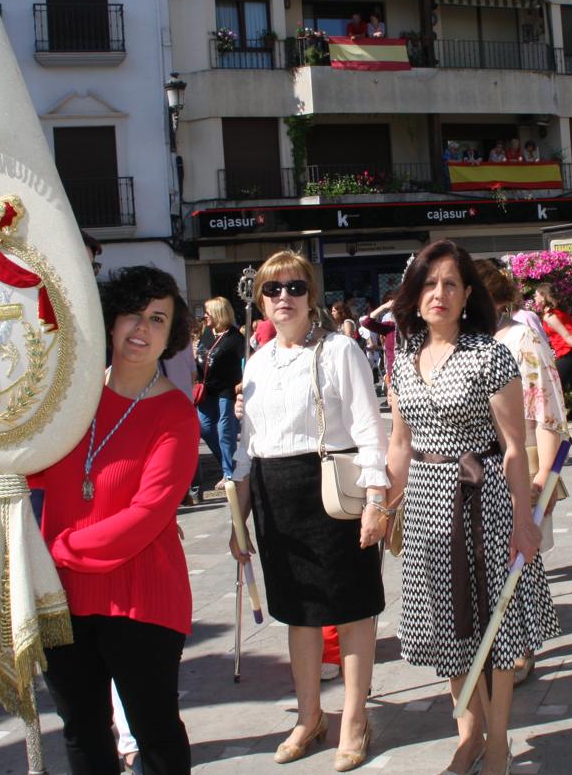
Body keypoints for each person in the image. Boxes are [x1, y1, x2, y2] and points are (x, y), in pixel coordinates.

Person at [387, 240, 556, 775]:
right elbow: (399, 444)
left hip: (484, 504)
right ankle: (468, 733)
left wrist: (524, 522)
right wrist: (382, 506)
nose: (440, 293)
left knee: (495, 625)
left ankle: (499, 740)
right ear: (414, 297)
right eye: (430, 284)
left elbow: (513, 445)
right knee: (445, 625)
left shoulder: (490, 354)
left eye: (451, 284)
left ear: (467, 296)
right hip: (424, 508)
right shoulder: (403, 361)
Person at [29, 266, 199, 775]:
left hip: (141, 598)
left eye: (157, 319)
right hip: (61, 600)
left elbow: (147, 516)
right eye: (132, 314)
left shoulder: (175, 414)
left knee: (156, 734)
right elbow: (28, 472)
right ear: (111, 320)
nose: (141, 330)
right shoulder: (64, 399)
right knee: (82, 732)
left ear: (172, 337)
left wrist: (56, 551)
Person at [230, 250, 388, 771]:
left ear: (311, 296)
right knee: (298, 615)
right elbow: (246, 447)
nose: (284, 299)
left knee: (351, 609)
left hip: (331, 490)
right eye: (273, 290)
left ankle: (353, 720)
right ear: (260, 300)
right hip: (277, 499)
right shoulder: (255, 363)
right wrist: (239, 519)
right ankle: (309, 717)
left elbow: (369, 430)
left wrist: (374, 501)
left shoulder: (340, 350)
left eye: (295, 288)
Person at [476, 259, 568, 686]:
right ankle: (496, 642)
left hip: (522, 455)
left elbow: (546, 407)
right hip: (476, 464)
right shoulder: (462, 339)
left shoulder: (520, 337)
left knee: (519, 557)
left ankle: (522, 647)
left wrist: (545, 476)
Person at [195, 297, 244, 486]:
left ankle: (228, 473)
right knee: (205, 428)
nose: (204, 316)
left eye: (208, 312)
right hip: (206, 389)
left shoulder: (234, 337)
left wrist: (243, 379)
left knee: (225, 431)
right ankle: (228, 462)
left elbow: (248, 358)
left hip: (226, 389)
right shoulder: (206, 332)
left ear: (218, 313)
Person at [535, 283, 572, 405]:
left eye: (536, 295)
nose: (534, 298)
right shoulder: (559, 312)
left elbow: (567, 336)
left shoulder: (550, 316)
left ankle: (552, 422)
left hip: (569, 356)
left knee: (551, 391)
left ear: (543, 296)